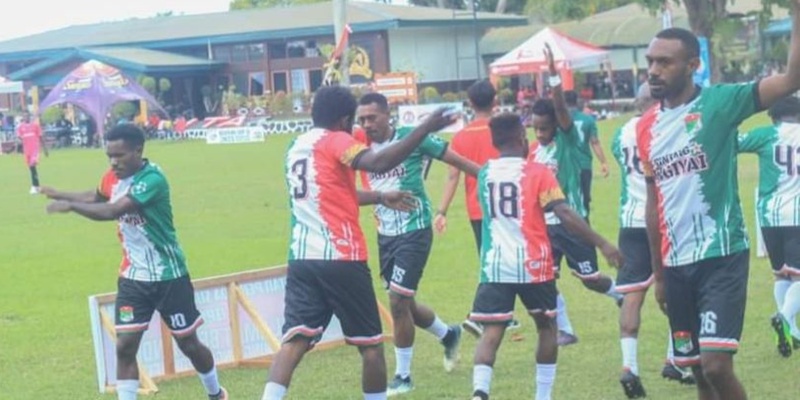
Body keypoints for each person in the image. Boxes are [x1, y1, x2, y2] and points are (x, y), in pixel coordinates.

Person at [638, 17, 800, 399]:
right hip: (675, 264)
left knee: (716, 365)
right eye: (650, 62)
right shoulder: (646, 127)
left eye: (665, 62)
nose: (654, 71)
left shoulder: (720, 103)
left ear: (693, 65)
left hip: (722, 256)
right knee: (697, 371)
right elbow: (653, 203)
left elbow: (791, 80)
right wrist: (659, 275)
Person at [260, 86, 456, 400]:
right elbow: (378, 163)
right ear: (344, 119)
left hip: (301, 259)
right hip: (342, 258)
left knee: (294, 341)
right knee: (371, 346)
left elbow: (333, 191)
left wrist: (379, 196)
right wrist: (425, 128)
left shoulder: (295, 146)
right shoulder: (337, 140)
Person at [42, 124, 227, 400]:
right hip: (133, 277)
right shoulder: (112, 177)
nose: (113, 162)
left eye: (119, 155)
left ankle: (216, 393)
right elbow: (97, 196)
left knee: (188, 344)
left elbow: (113, 210)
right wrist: (61, 194)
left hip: (169, 276)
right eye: (109, 156)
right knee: (125, 346)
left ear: (138, 151)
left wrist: (71, 208)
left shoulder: (152, 180)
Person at [468, 113, 622, 400]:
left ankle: (480, 392)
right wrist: (602, 243)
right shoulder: (537, 172)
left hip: (495, 267)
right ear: (521, 138)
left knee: (492, 332)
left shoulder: (485, 173)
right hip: (534, 265)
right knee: (547, 326)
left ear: (494, 142)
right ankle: (542, 396)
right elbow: (563, 212)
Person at [354, 92, 480, 395]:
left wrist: (492, 177)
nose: (367, 124)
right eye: (362, 119)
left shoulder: (412, 138)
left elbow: (457, 161)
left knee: (397, 301)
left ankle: (403, 377)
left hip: (415, 229)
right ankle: (448, 334)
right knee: (406, 304)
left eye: (372, 117)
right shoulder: (358, 146)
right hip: (385, 234)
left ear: (388, 114)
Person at [528, 44, 624, 346]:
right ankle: (565, 330)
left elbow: (559, 109)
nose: (540, 134)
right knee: (543, 279)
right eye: (535, 129)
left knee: (590, 279)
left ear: (556, 126)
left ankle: (621, 296)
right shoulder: (533, 151)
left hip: (572, 222)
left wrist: (553, 75)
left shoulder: (566, 140)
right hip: (544, 227)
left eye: (544, 128)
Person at [611, 83, 694, 399]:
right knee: (679, 291)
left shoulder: (620, 133)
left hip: (631, 221)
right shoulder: (666, 126)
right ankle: (677, 359)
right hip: (663, 218)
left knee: (632, 296)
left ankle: (629, 365)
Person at [433, 79, 521, 337]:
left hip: (477, 208)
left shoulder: (461, 137)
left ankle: (496, 313)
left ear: (470, 103)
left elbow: (453, 176)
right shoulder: (502, 131)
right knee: (503, 258)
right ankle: (488, 313)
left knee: (492, 259)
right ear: (495, 100)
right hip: (508, 204)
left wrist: (441, 211)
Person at [737, 95, 800, 357]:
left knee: (782, 274)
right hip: (797, 214)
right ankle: (784, 316)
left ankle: (792, 330)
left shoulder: (766, 134)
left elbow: (734, 143)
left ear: (774, 117)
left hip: (768, 215)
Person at [563, 89, 608, 220]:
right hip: (584, 165)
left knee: (565, 199)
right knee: (584, 200)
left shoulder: (559, 120)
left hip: (565, 165)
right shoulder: (587, 120)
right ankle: (584, 225)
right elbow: (595, 142)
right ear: (576, 102)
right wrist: (603, 162)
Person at [16, 111, 48, 194]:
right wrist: (19, 147)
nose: (26, 117)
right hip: (27, 151)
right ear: (23, 118)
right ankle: (37, 186)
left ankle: (34, 186)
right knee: (31, 168)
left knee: (32, 166)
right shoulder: (20, 127)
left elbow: (41, 137)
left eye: (27, 116)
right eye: (24, 116)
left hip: (35, 150)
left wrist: (45, 149)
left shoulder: (35, 126)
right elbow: (19, 138)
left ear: (29, 117)